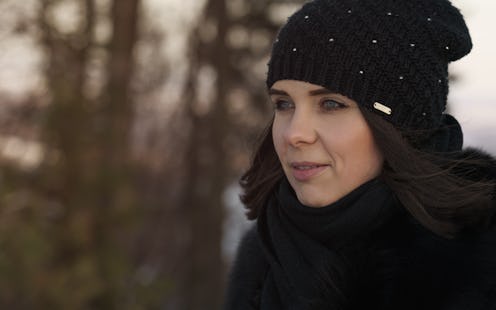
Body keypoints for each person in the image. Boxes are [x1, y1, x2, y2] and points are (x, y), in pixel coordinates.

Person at [224, 0, 496, 309]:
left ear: (400, 126)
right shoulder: (263, 261)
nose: (294, 133)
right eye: (284, 104)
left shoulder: (475, 274)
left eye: (330, 104)